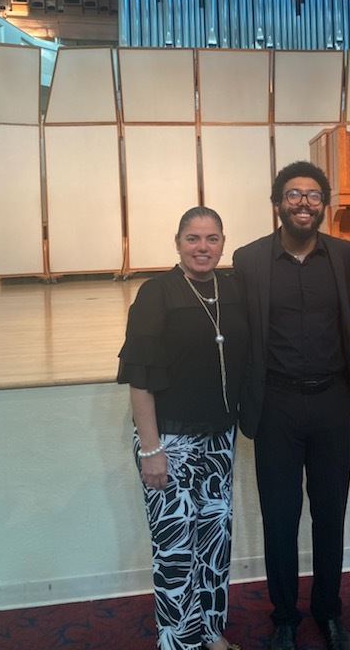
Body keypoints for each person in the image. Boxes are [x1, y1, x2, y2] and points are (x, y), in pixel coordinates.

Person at [233, 161, 350, 650]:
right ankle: (284, 615)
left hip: (332, 402)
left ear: (323, 205)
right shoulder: (249, 260)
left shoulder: (345, 255)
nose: (303, 203)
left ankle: (329, 611)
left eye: (312, 195)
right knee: (280, 518)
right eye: (293, 195)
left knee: (331, 515)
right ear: (277, 203)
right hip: (277, 404)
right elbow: (241, 335)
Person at [117, 206, 249, 650]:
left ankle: (210, 632)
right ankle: (178, 642)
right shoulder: (157, 294)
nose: (203, 248)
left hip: (218, 439)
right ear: (177, 242)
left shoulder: (229, 291)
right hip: (169, 442)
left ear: (223, 243)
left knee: (213, 543)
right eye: (193, 238)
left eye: (212, 239)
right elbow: (140, 377)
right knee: (175, 552)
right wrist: (151, 449)